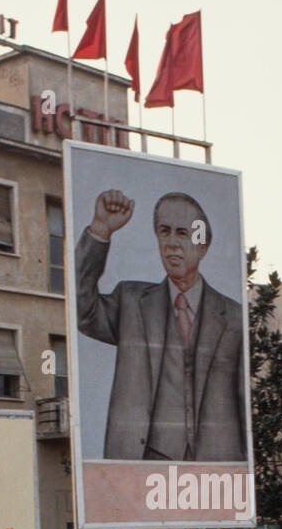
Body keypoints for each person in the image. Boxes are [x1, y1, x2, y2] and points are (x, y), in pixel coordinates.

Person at [75, 189, 247, 461]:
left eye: (183, 233)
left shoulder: (234, 317)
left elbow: (243, 399)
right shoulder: (131, 302)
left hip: (213, 468)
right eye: (164, 231)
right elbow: (82, 310)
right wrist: (100, 230)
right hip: (145, 461)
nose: (171, 244)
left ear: (202, 246)